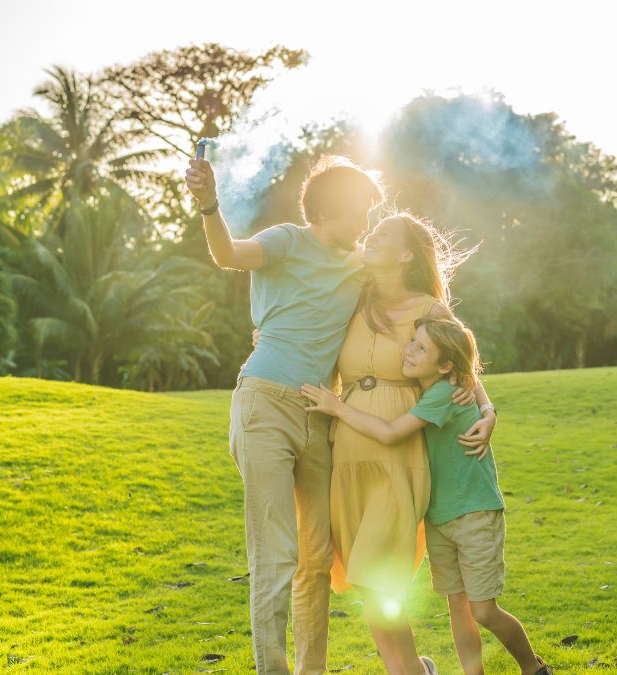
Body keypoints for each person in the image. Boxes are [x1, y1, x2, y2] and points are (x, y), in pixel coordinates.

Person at [185, 154, 382, 674]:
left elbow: (414, 289)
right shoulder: (285, 241)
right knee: (275, 556)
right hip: (265, 403)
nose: (364, 227)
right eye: (358, 214)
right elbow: (228, 254)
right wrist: (209, 205)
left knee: (317, 560)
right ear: (325, 212)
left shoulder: (363, 266)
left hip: (320, 417)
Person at [302, 316, 552, 675]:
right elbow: (467, 374)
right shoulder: (437, 386)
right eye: (412, 341)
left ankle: (534, 668)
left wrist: (337, 407)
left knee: (482, 610)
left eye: (421, 347)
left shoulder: (445, 393)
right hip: (440, 516)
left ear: (446, 364)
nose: (409, 350)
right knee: (458, 606)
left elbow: (390, 432)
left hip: (473, 512)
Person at [319, 212, 496, 675]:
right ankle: (413, 669)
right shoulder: (351, 299)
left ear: (405, 255)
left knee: (378, 574)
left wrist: (490, 412)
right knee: (364, 578)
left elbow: (463, 366)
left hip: (401, 456)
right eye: (370, 233)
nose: (369, 237)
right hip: (348, 453)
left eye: (382, 235)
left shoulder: (430, 310)